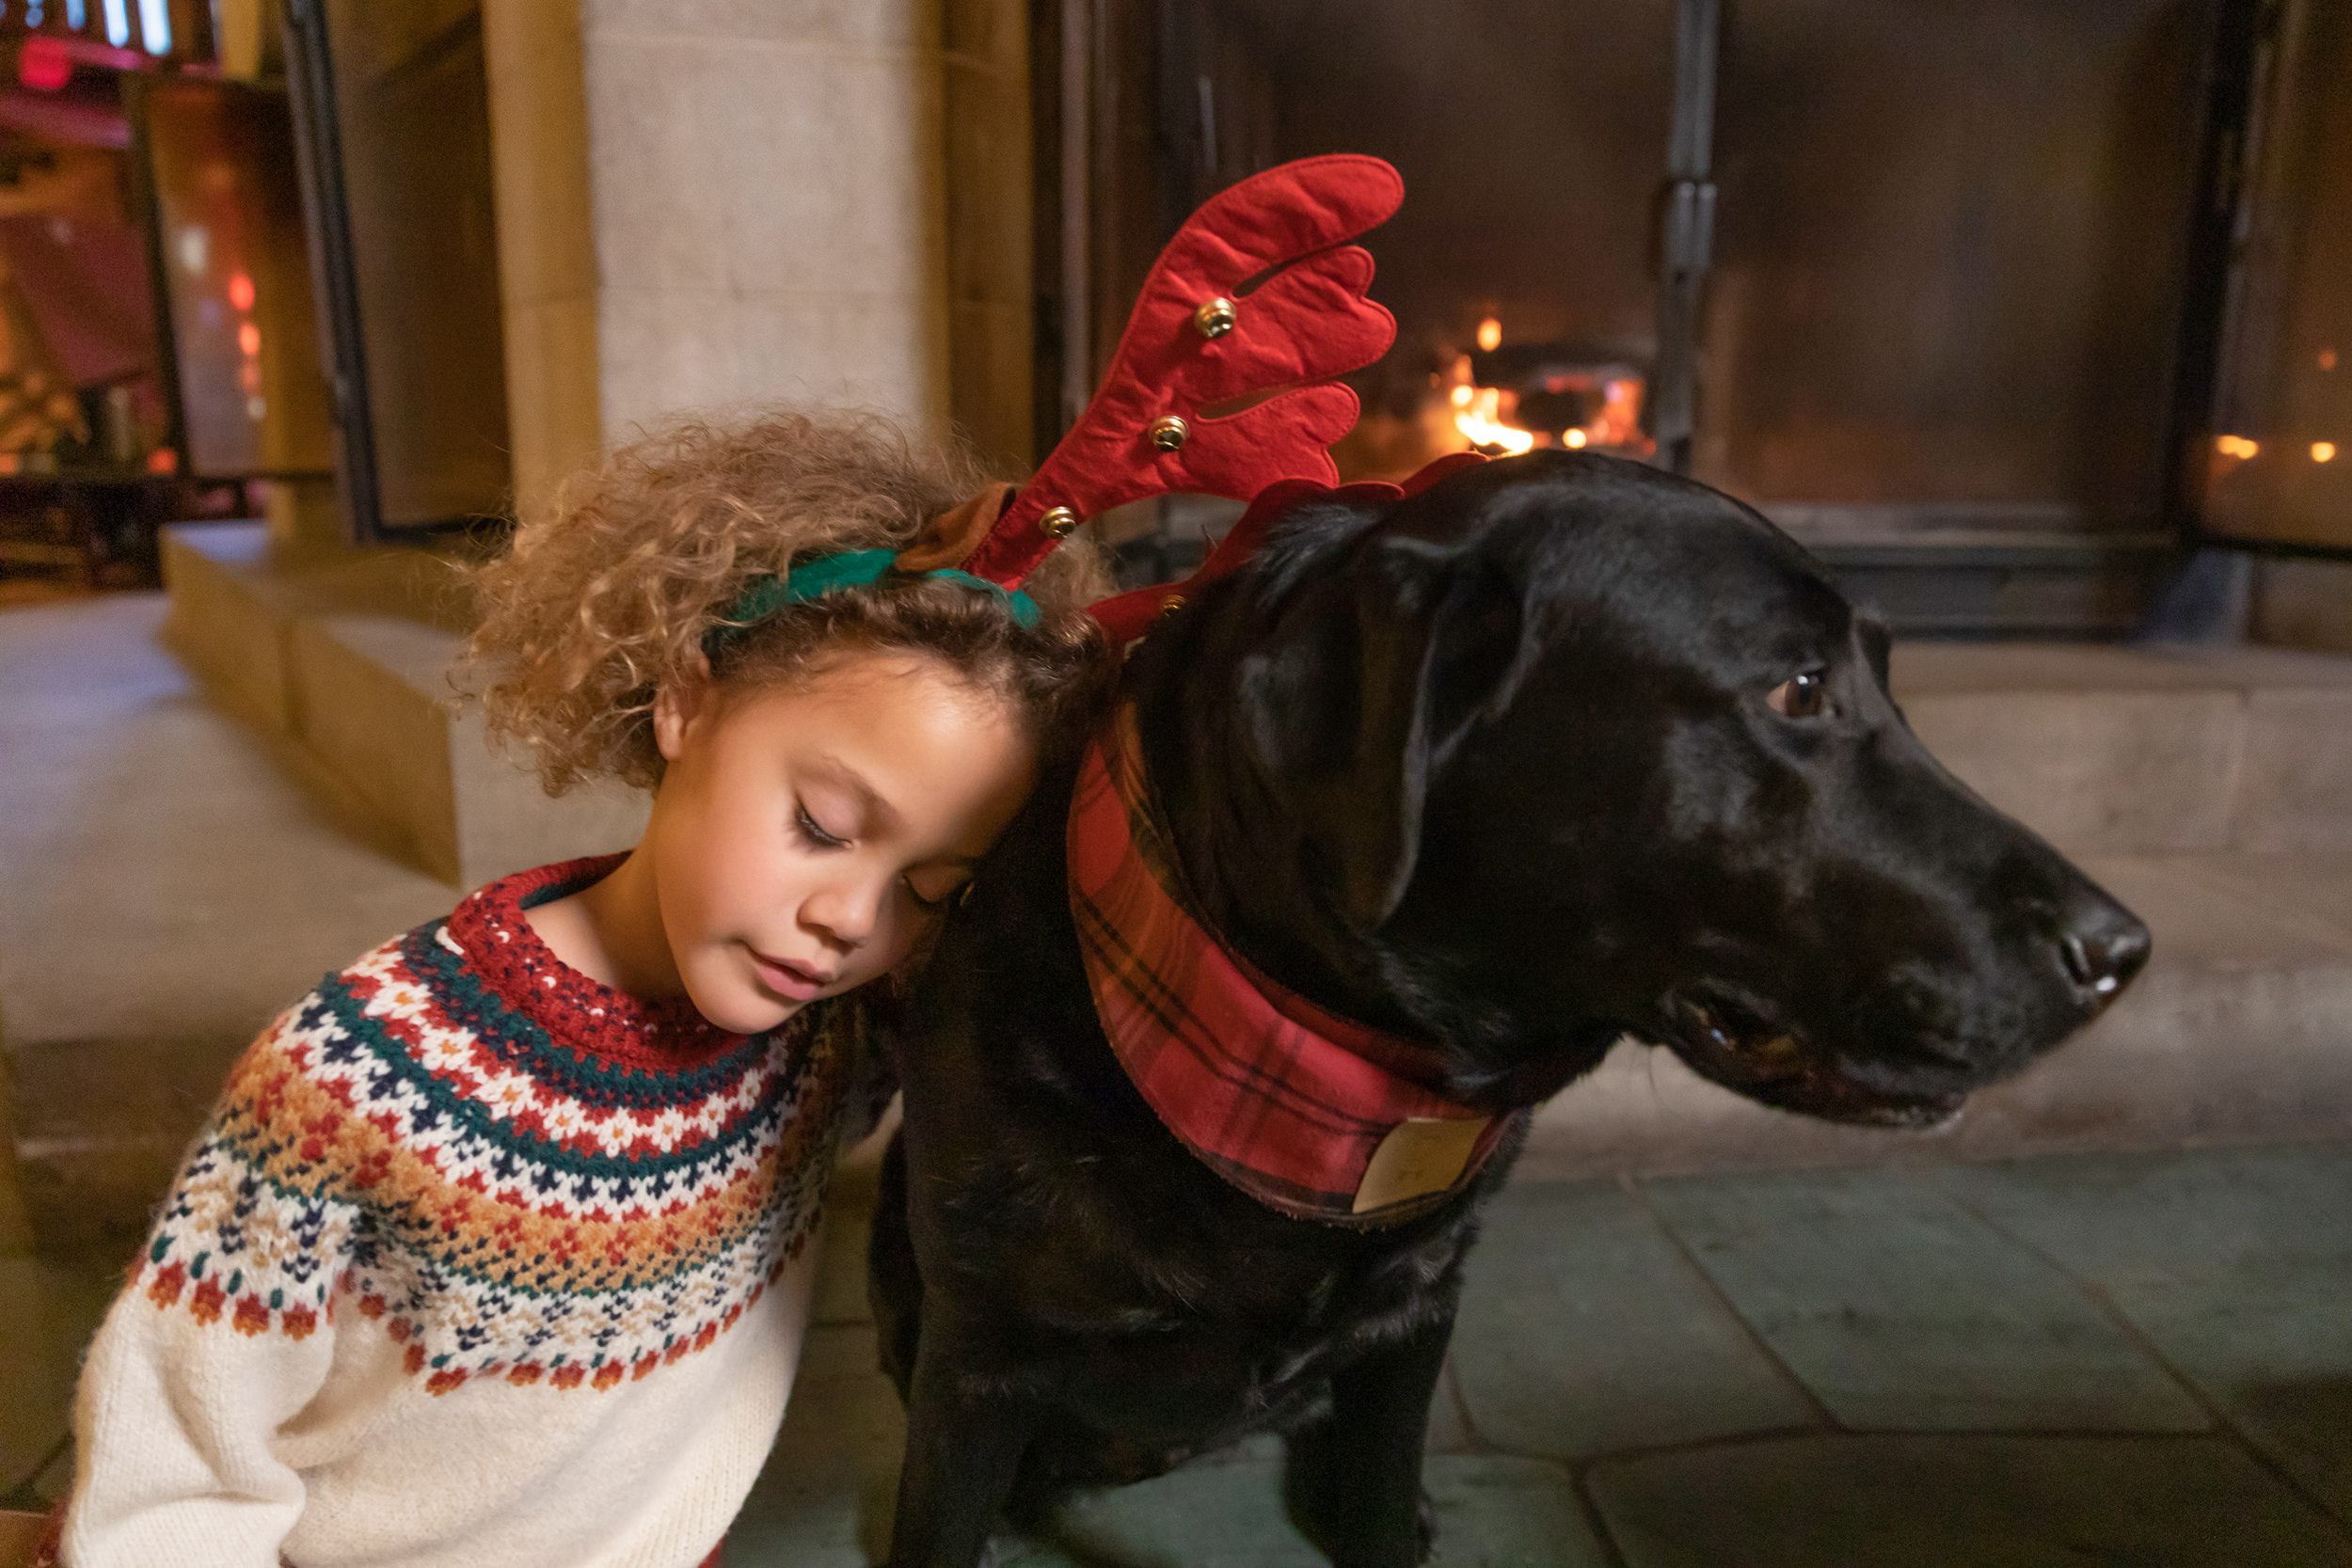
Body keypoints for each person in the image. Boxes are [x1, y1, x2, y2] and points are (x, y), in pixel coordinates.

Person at [56, 409, 1115, 1568]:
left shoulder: (826, 1039)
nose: (854, 920)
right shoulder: (357, 1077)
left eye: (929, 886)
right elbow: (171, 1473)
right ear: (685, 701)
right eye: (820, 824)